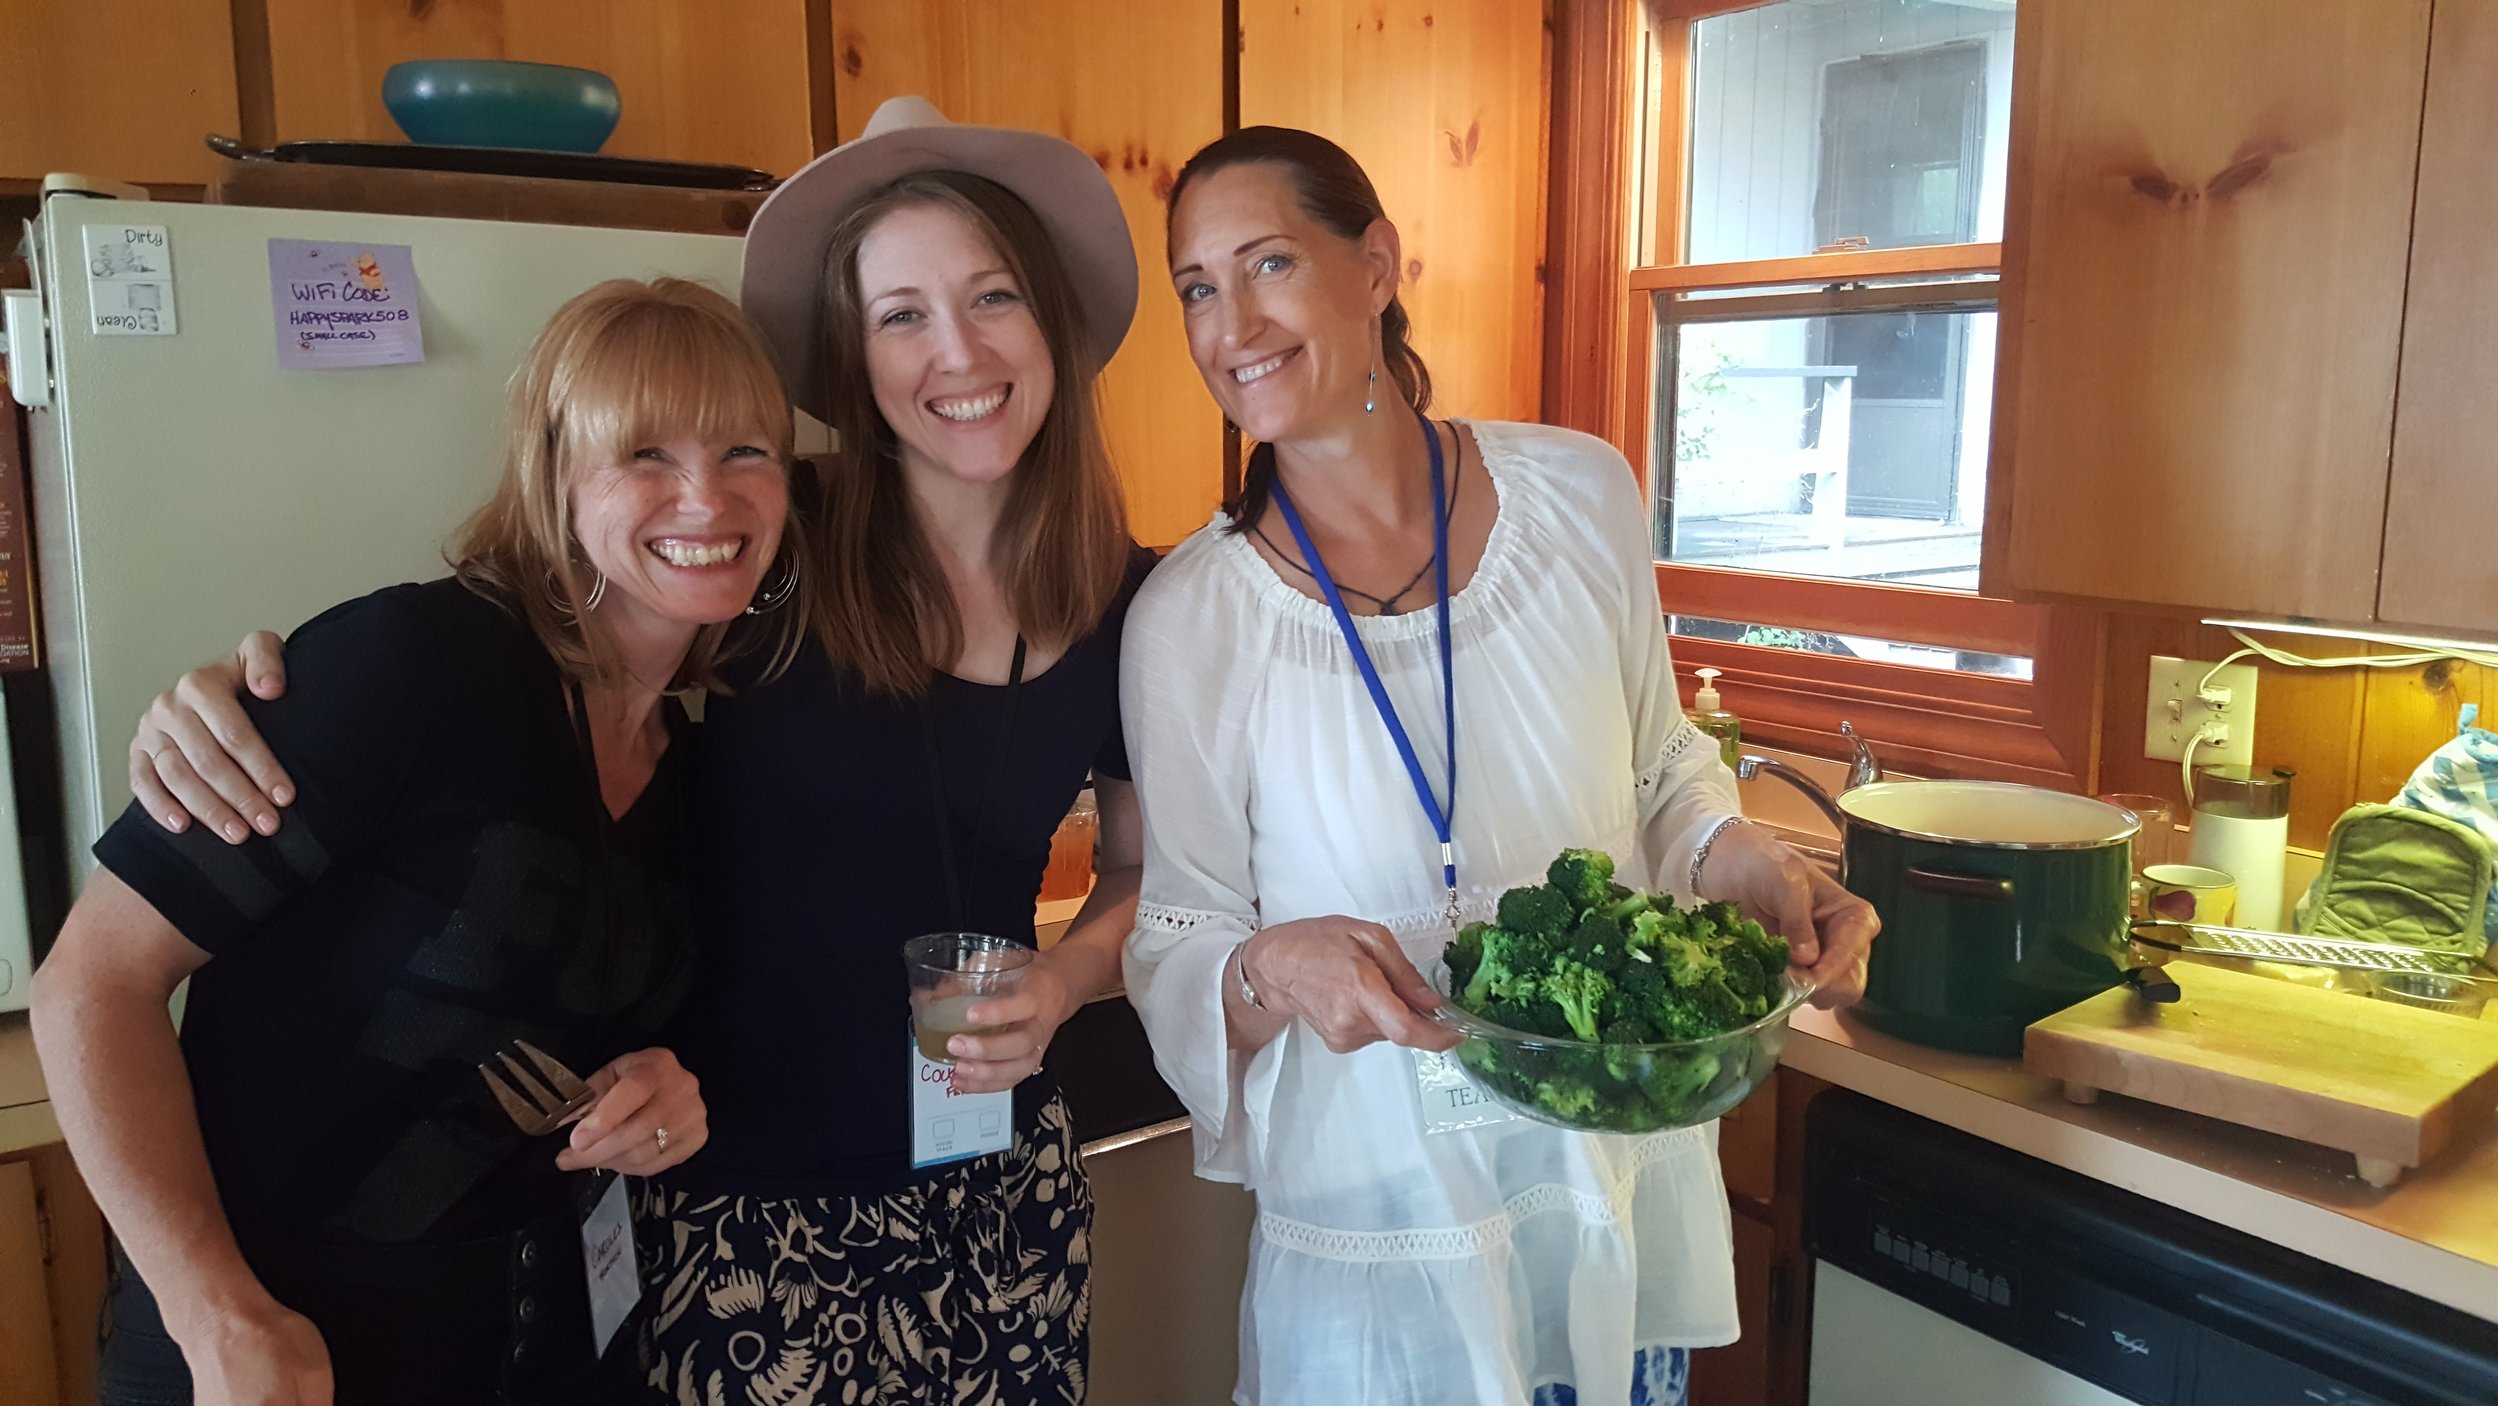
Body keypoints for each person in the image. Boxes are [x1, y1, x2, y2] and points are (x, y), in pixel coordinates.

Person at [116, 98, 1148, 1406]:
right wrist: (232, 690)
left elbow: (1139, 874)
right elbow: (544, 618)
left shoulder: (1131, 601)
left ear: (1053, 316)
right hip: (742, 1210)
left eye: (994, 295)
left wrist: (1059, 984)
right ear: (855, 354)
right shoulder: (772, 539)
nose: (957, 349)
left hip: (995, 1197)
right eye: (901, 313)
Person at [1120, 126, 1882, 1406]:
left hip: (1604, 1186)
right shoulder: (1192, 617)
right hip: (1383, 1232)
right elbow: (1177, 939)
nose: (1228, 322)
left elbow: (1662, 769)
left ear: (1374, 266)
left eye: (1266, 264)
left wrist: (1742, 852)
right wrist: (1272, 960)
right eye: (1197, 286)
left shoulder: (1579, 495)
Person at [30, 277, 805, 1406]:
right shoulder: (411, 665)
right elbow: (89, 984)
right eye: (645, 452)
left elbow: (593, 1038)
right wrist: (217, 1316)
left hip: (533, 1346)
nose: (708, 494)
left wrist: (661, 1090)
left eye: (747, 450)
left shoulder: (690, 767)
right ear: (556, 479)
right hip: (268, 1356)